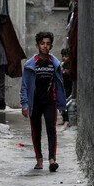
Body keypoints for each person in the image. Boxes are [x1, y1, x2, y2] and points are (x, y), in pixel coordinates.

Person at [20, 31, 66, 171]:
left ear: (51, 46)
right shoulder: (30, 64)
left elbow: (59, 85)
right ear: (37, 45)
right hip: (35, 103)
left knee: (51, 130)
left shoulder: (55, 64)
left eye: (48, 44)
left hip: (50, 102)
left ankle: (52, 160)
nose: (45, 46)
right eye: (42, 44)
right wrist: (25, 104)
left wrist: (61, 104)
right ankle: (39, 160)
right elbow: (25, 85)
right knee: (36, 131)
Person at [58, 48, 72, 125]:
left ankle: (67, 120)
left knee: (66, 103)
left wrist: (63, 71)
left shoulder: (70, 65)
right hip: (62, 86)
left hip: (68, 86)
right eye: (63, 56)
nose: (64, 58)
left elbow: (69, 74)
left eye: (66, 56)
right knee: (62, 103)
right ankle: (64, 119)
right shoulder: (62, 64)